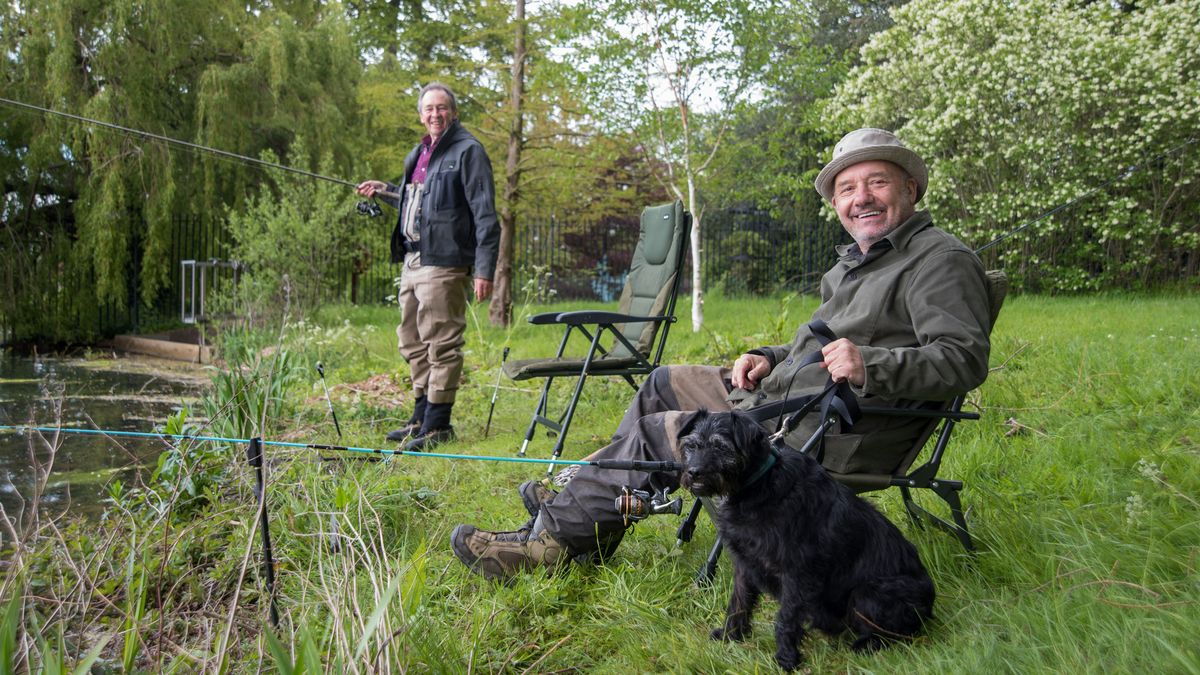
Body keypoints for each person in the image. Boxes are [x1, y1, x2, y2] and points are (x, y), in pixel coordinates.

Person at [450, 128, 994, 580]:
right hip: (785, 398)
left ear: (912, 187)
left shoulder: (938, 260)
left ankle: (552, 543)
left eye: (877, 182)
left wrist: (871, 365)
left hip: (827, 434)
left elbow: (963, 359)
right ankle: (577, 518)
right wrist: (769, 356)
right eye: (848, 188)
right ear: (836, 204)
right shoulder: (860, 261)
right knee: (663, 380)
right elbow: (827, 342)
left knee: (660, 430)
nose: (861, 198)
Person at [357, 82, 500, 451]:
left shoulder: (468, 152)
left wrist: (484, 269)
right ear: (420, 115)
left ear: (452, 112)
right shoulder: (418, 154)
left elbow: (485, 215)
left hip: (445, 263)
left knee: (442, 342)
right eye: (428, 109)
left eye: (442, 108)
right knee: (411, 339)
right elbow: (420, 204)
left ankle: (438, 425)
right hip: (413, 260)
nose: (435, 114)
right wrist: (387, 190)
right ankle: (420, 417)